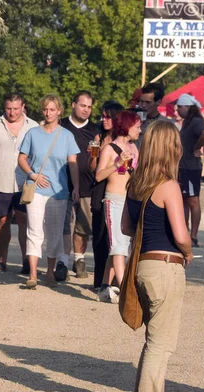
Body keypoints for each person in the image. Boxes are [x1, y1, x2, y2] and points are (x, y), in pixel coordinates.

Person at [122, 120, 192, 392]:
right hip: (165, 266)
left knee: (152, 341)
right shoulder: (168, 186)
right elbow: (181, 234)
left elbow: (126, 227)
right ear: (171, 148)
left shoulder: (136, 182)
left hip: (142, 265)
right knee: (160, 345)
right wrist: (188, 252)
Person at [17, 94, 80, 288]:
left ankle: (50, 272)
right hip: (36, 189)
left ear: (59, 111)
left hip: (58, 191)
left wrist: (76, 187)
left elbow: (72, 163)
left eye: (52, 109)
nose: (48, 113)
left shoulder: (67, 136)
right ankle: (33, 274)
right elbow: (21, 158)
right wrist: (33, 174)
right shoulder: (33, 133)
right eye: (45, 109)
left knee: (54, 234)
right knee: (34, 230)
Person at [0, 93, 38, 273]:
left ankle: (27, 260)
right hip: (0, 179)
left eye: (16, 109)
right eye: (8, 109)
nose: (12, 112)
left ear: (23, 107)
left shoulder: (33, 127)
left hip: (24, 182)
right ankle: (1, 260)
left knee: (24, 220)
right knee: (2, 219)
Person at [94, 110, 140, 302]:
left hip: (129, 200)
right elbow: (98, 175)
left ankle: (105, 285)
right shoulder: (109, 149)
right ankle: (125, 289)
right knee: (118, 247)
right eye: (137, 126)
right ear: (127, 126)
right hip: (113, 200)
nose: (139, 129)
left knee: (123, 245)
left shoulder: (134, 148)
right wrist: (117, 163)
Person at [58, 91, 99, 280]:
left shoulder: (95, 129)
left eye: (89, 107)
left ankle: (79, 259)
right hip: (62, 183)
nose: (86, 110)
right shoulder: (61, 126)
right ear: (73, 104)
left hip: (87, 184)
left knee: (83, 226)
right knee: (64, 225)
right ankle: (62, 262)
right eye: (83, 105)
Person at [89, 101, 124, 290]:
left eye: (108, 116)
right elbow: (92, 168)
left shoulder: (122, 140)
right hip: (99, 189)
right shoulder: (99, 136)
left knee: (116, 237)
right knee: (100, 236)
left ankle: (113, 280)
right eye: (103, 116)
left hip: (116, 190)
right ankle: (100, 281)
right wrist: (94, 155)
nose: (104, 119)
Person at [176, 94, 204, 248]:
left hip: (191, 168)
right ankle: (185, 232)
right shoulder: (187, 122)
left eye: (179, 107)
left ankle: (194, 236)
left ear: (187, 107)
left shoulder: (196, 122)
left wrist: (197, 147)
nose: (177, 109)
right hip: (184, 167)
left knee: (193, 200)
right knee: (183, 200)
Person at [136, 82, 171, 148]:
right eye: (141, 101)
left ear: (159, 102)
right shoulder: (134, 122)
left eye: (148, 102)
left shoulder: (167, 125)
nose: (143, 105)